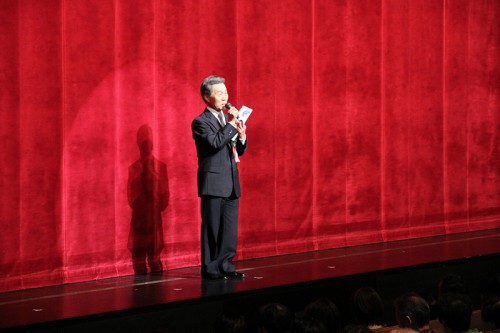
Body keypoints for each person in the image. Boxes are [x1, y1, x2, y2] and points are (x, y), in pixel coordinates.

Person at [192, 75, 248, 280]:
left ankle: (226, 264)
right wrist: (232, 125)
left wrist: (241, 136)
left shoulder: (227, 120)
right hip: (214, 182)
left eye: (226, 92)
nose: (225, 97)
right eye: (219, 93)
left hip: (232, 181)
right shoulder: (200, 122)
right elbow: (215, 143)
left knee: (229, 228)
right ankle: (211, 268)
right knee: (212, 227)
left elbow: (236, 151)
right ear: (207, 97)